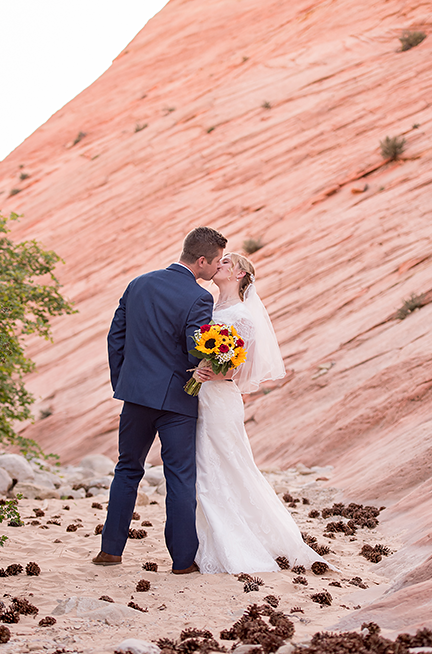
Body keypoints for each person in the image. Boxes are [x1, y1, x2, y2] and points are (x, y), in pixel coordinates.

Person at [92, 226, 226, 573]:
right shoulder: (199, 298)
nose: (215, 271)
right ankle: (182, 561)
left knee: (126, 469)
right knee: (180, 476)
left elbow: (115, 338)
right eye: (215, 263)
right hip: (176, 400)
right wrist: (212, 359)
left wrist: (124, 382)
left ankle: (111, 551)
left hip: (135, 395)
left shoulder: (138, 284)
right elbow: (197, 347)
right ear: (200, 261)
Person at [194, 253, 337, 574]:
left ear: (241, 274)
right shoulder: (210, 308)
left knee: (221, 466)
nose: (220, 265)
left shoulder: (242, 315)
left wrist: (212, 373)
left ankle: (237, 546)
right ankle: (204, 541)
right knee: (202, 466)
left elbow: (237, 367)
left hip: (219, 399)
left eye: (227, 263)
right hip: (201, 397)